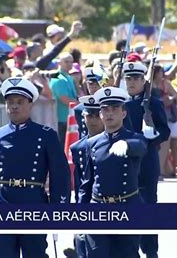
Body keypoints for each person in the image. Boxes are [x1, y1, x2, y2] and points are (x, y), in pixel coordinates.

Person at [0, 76, 71, 258]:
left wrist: (59, 211)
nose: (14, 106)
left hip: (33, 205)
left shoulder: (45, 136)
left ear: (30, 105)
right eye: (10, 102)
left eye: (20, 102)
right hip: (2, 207)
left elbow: (60, 176)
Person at [78, 86, 147, 258]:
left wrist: (127, 145)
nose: (109, 114)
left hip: (127, 207)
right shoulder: (91, 144)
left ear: (123, 113)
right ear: (100, 114)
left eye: (114, 109)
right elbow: (87, 182)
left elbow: (142, 147)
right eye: (105, 110)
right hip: (98, 208)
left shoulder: (134, 138)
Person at [123, 61, 170, 258]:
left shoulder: (152, 102)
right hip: (125, 159)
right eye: (129, 78)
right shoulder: (120, 102)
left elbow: (165, 131)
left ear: (144, 80)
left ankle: (151, 250)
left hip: (146, 160)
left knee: (148, 205)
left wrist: (153, 135)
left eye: (136, 78)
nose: (132, 82)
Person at [70, 94, 105, 258]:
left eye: (97, 115)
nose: (93, 120)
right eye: (89, 115)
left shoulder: (114, 143)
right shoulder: (78, 148)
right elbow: (79, 183)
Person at [49, 52, 78, 144]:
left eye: (71, 62)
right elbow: (64, 99)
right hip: (62, 119)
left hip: (69, 118)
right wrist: (80, 104)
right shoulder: (59, 78)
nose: (69, 64)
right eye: (66, 61)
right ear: (59, 63)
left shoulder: (68, 77)